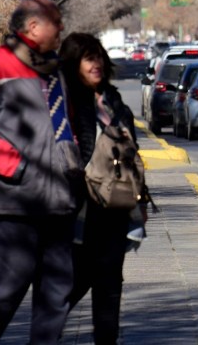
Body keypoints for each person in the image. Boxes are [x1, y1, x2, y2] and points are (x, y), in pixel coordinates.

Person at [0, 0, 83, 345]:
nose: (60, 29)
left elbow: (68, 126)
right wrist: (19, 168)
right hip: (11, 202)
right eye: (55, 22)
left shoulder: (56, 70)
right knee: (6, 293)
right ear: (32, 27)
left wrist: (74, 170)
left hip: (57, 201)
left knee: (55, 297)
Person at [60, 32, 144, 344]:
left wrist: (140, 202)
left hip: (114, 207)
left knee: (109, 289)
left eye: (98, 57)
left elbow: (130, 150)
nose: (96, 64)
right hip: (78, 208)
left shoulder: (112, 98)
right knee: (70, 287)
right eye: (87, 58)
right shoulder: (65, 102)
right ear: (73, 64)